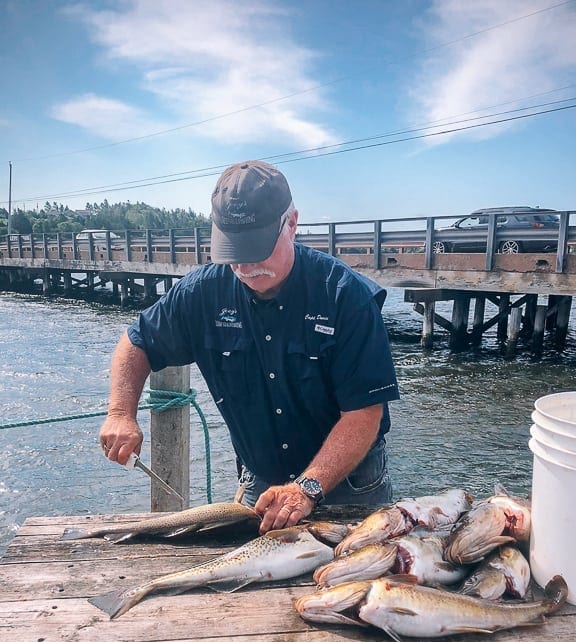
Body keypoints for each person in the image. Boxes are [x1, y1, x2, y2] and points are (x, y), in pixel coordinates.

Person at [99, 160, 399, 533]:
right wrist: (120, 412)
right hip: (262, 484)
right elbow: (136, 342)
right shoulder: (201, 292)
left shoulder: (346, 297)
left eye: (258, 248)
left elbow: (364, 413)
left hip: (350, 488)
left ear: (291, 223)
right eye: (233, 251)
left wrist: (307, 487)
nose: (246, 265)